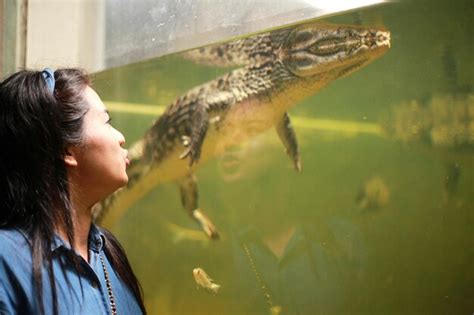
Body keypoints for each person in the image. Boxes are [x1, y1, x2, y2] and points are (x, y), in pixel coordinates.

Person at [0, 68, 146, 314]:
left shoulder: (109, 253)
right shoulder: (6, 259)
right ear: (67, 150)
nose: (120, 137)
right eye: (107, 122)